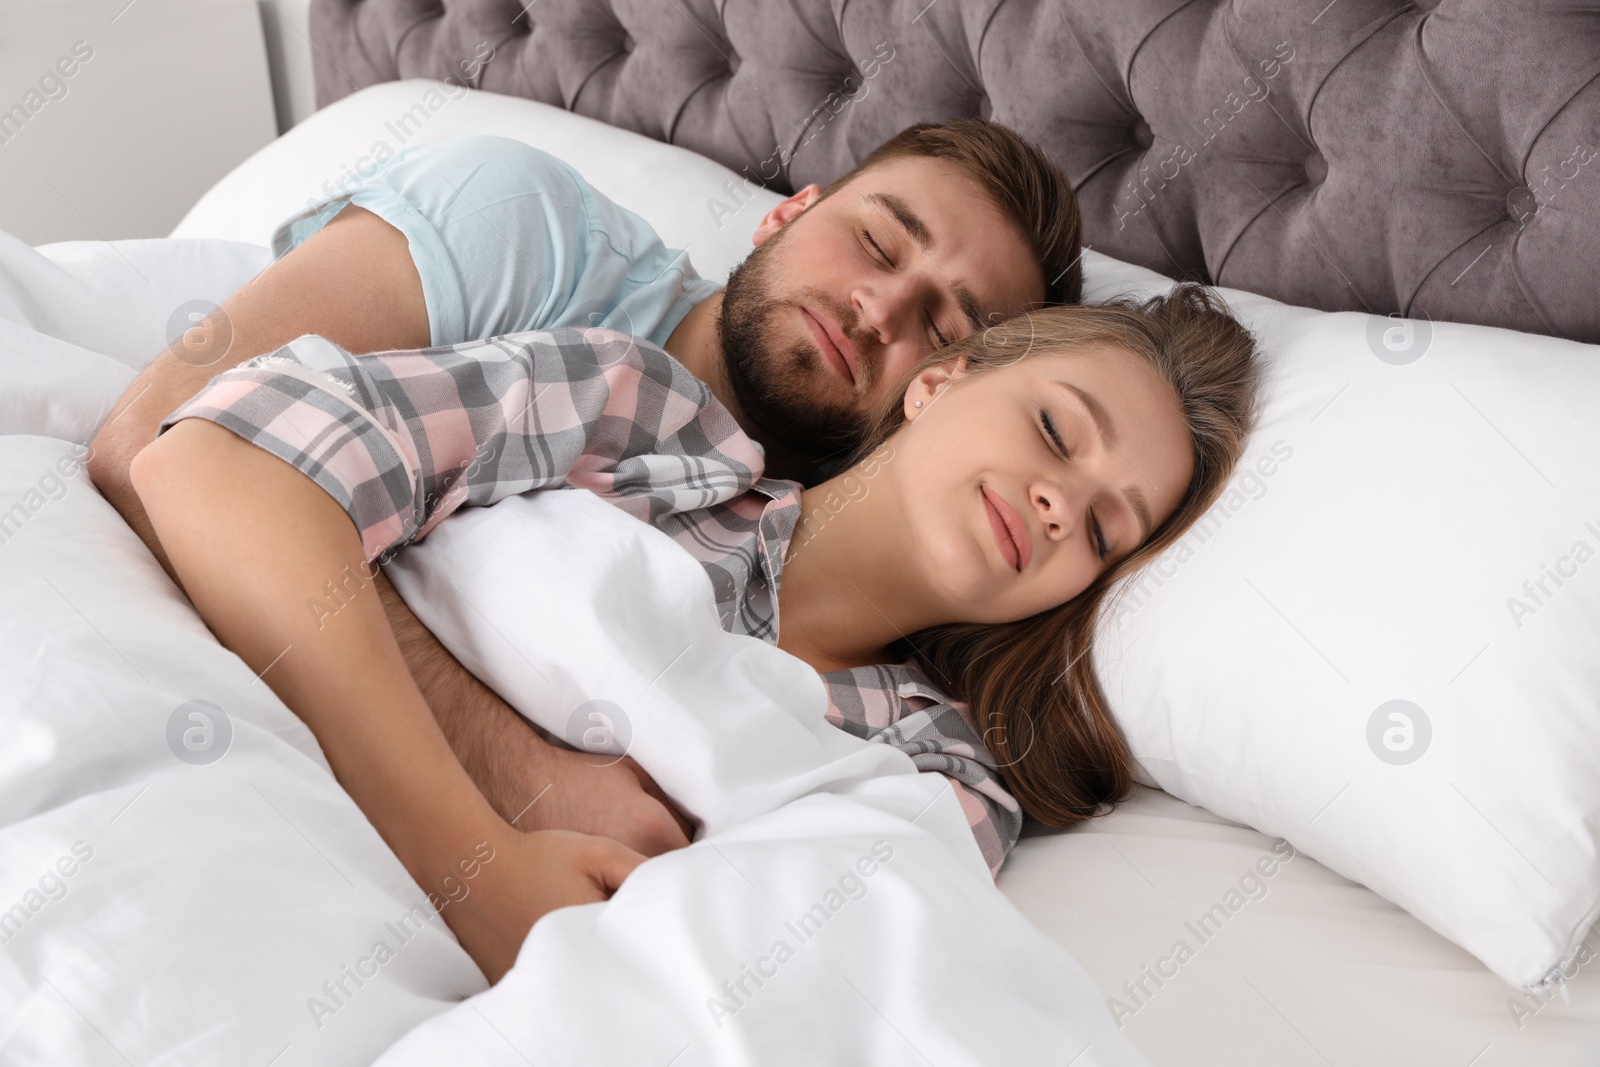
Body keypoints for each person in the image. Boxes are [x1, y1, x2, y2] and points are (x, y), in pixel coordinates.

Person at [125, 284, 1263, 982]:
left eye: (1105, 527)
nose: (1064, 504)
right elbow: (221, 455)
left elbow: (755, 980)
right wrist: (477, 859)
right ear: (941, 379)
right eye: (1058, 428)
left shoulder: (945, 776)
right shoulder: (637, 416)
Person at [88, 120, 1084, 856]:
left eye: (946, 328)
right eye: (876, 241)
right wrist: (516, 768)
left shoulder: (797, 568)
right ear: (791, 210)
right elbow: (154, 440)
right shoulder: (527, 225)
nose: (878, 307)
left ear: (945, 392)